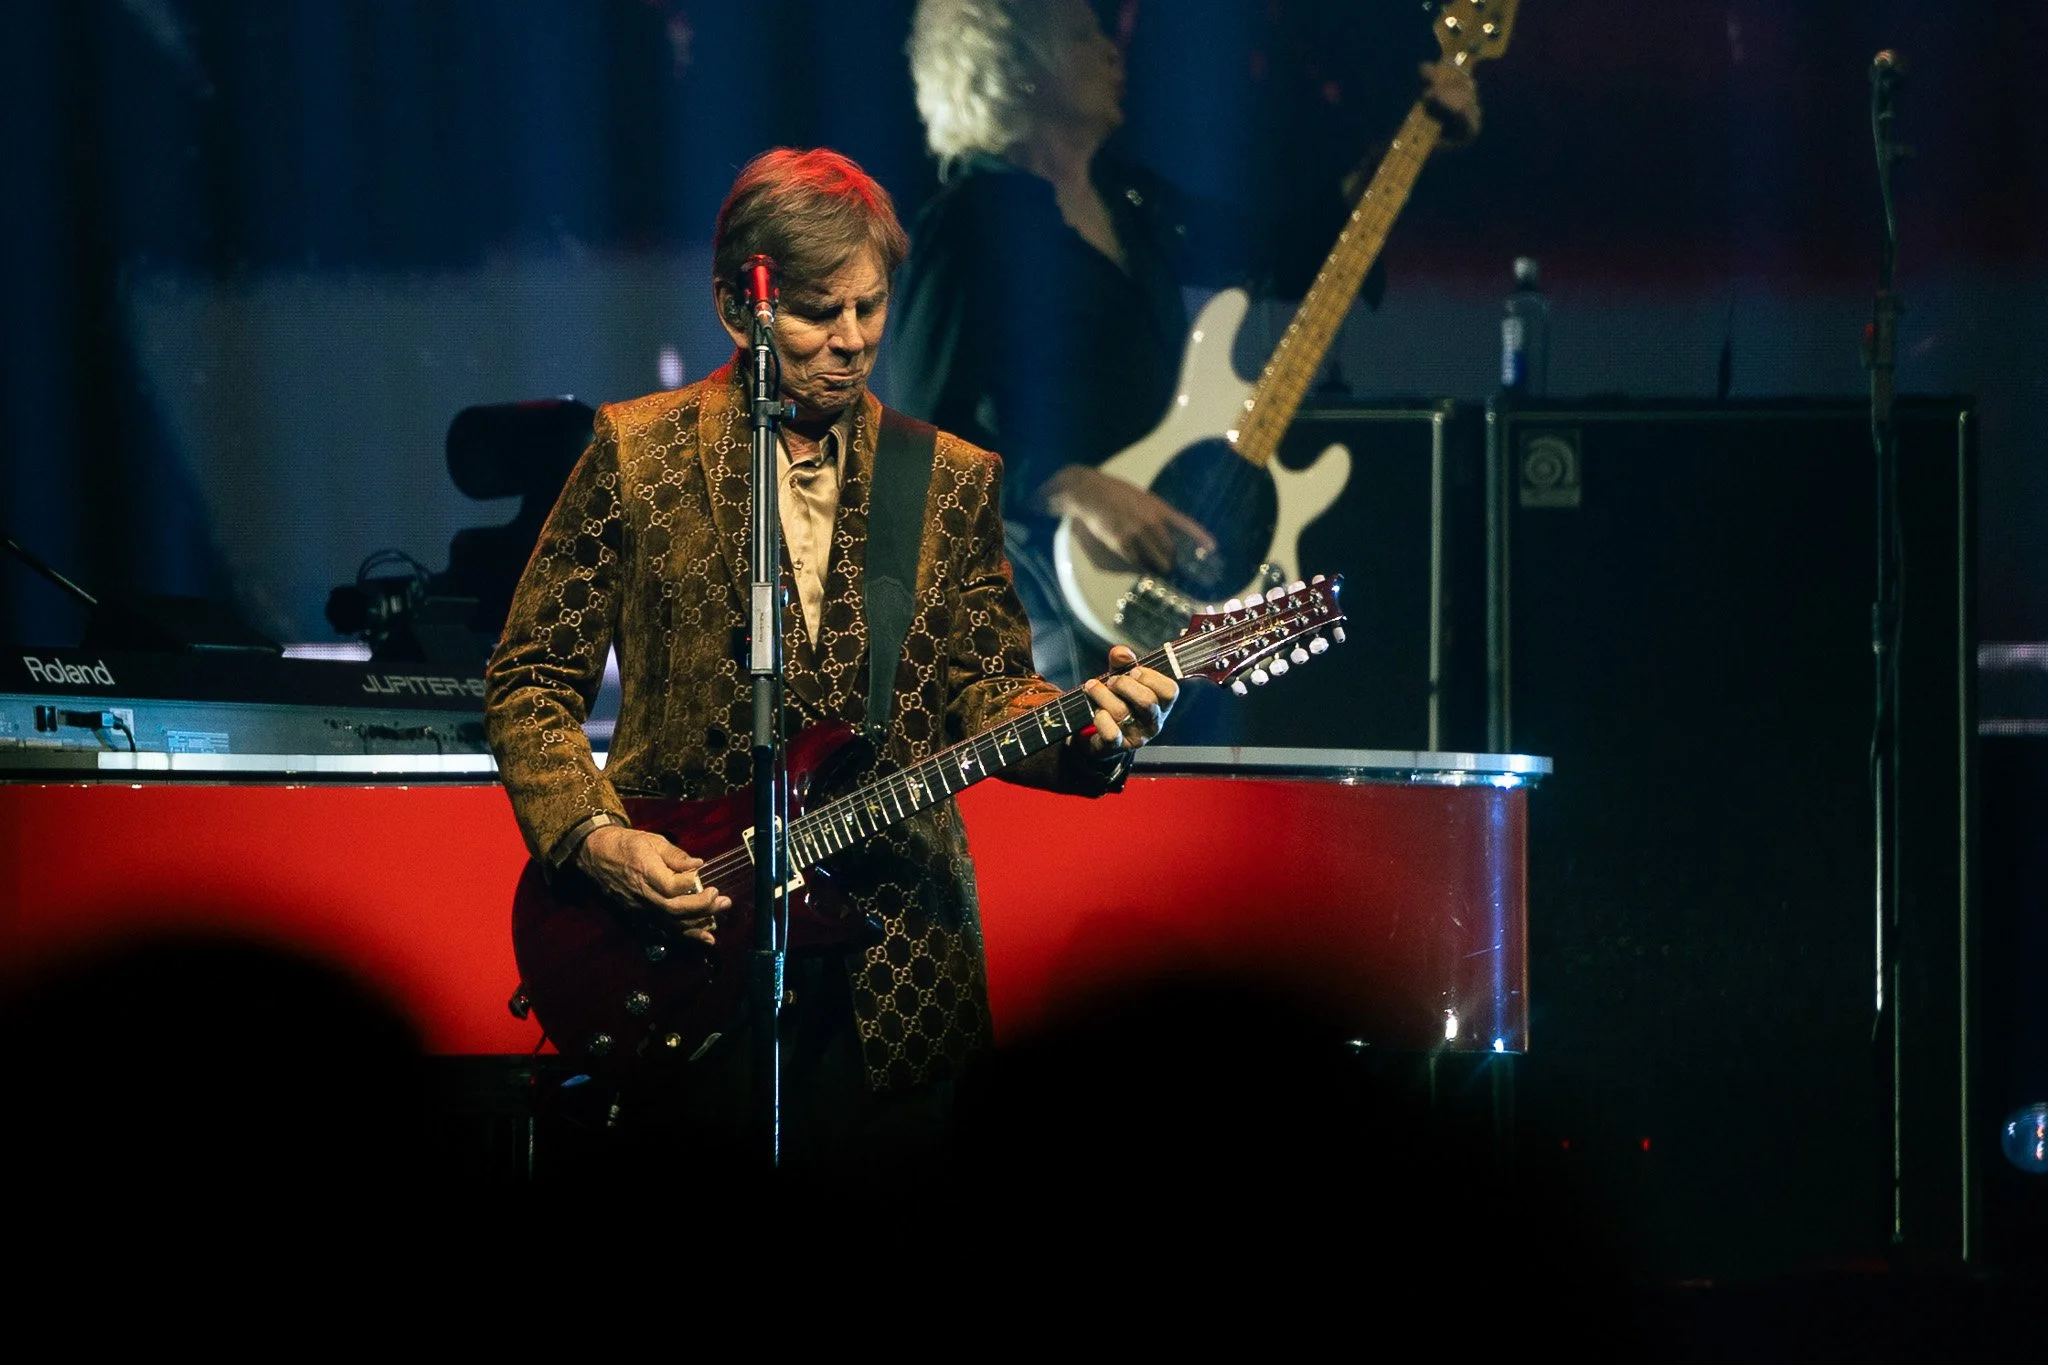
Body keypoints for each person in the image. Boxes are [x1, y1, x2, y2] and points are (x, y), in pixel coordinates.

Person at [482, 147, 1177, 1180]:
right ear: (736, 307)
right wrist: (590, 838)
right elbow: (531, 676)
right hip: (683, 941)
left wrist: (1091, 732)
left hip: (893, 970)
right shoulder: (635, 454)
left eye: (869, 306)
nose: (851, 341)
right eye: (815, 313)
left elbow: (989, 691)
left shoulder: (945, 480)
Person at [889, 0, 1481, 687]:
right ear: (1015, 69)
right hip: (1044, 599)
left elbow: (1291, 256)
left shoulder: (1131, 199)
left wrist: (1407, 149)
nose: (1113, 50)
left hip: (1169, 577)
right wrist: (1068, 485)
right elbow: (918, 436)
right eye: (1082, 36)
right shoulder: (966, 224)